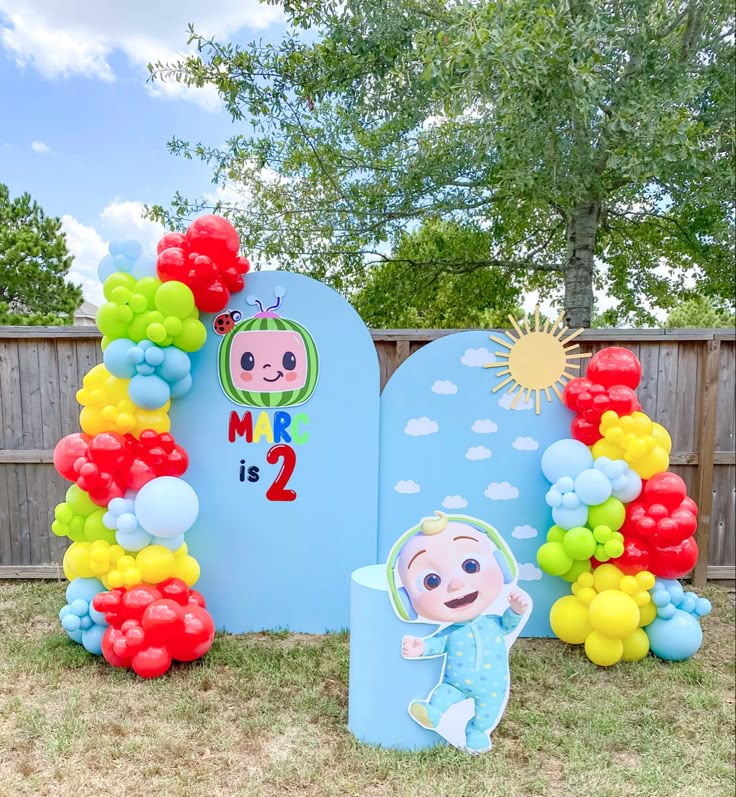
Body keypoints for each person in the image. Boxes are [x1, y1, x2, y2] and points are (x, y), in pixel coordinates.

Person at [394, 510, 530, 751]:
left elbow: (507, 625)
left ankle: (477, 732)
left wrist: (516, 609)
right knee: (443, 694)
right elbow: (437, 643)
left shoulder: (491, 622)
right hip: (454, 684)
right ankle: (433, 712)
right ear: (406, 601)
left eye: (470, 565)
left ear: (502, 566)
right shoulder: (451, 632)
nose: (456, 584)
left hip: (493, 687)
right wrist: (421, 647)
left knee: (487, 712)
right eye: (431, 581)